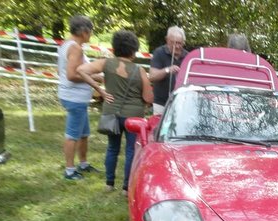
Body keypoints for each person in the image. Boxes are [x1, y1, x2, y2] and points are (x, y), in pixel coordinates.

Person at [77, 30, 153, 195]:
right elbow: (148, 97)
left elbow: (81, 70)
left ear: (114, 47)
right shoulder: (139, 71)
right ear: (134, 50)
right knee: (131, 150)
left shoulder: (106, 63)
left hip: (111, 113)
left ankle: (109, 183)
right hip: (133, 117)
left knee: (112, 148)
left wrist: (100, 90)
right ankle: (126, 188)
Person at [57, 15, 100, 181]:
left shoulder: (66, 45)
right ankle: (69, 170)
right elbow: (71, 75)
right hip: (75, 98)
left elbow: (61, 71)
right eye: (90, 32)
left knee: (83, 133)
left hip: (75, 96)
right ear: (84, 31)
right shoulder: (76, 48)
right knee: (72, 134)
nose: (91, 35)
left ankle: (83, 163)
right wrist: (96, 78)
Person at [148, 26, 187, 115]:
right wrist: (167, 70)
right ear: (167, 40)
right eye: (173, 43)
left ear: (184, 42)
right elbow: (152, 77)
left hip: (181, 103)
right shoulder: (159, 53)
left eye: (179, 43)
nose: (176, 46)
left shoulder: (187, 56)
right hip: (161, 103)